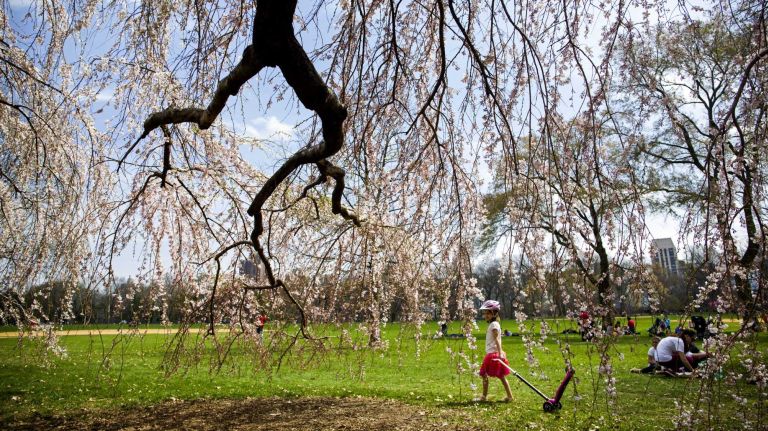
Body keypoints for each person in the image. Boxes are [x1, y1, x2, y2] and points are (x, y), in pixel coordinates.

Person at [478, 300, 513, 402]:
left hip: (492, 355)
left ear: (494, 313)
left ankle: (484, 397)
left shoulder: (493, 325)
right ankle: (509, 396)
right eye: (485, 313)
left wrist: (500, 352)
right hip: (493, 353)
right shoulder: (495, 324)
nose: (486, 315)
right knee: (500, 376)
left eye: (488, 313)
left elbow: (497, 339)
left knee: (484, 374)